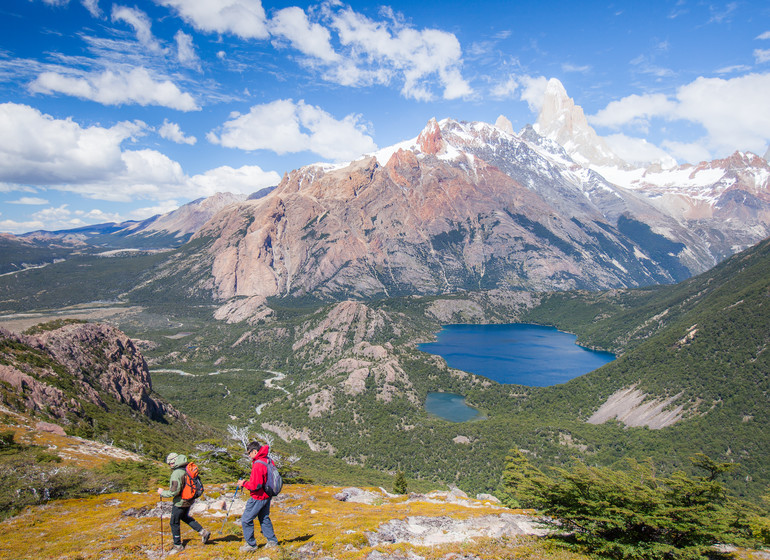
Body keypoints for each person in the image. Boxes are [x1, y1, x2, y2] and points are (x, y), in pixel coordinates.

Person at [157, 452, 211, 554]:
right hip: (189, 499)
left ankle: (178, 546)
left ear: (172, 463)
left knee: (174, 522)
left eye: (169, 464)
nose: (169, 466)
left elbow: (174, 491)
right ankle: (203, 532)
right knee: (184, 517)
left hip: (180, 501)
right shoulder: (187, 468)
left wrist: (162, 493)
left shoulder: (176, 473)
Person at [237, 441, 279, 552]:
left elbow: (255, 485)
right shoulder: (268, 460)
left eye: (249, 453)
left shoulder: (258, 464)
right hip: (267, 495)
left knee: (246, 520)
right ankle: (272, 541)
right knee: (264, 517)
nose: (249, 456)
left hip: (258, 497)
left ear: (254, 451)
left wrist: (244, 483)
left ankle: (251, 545)